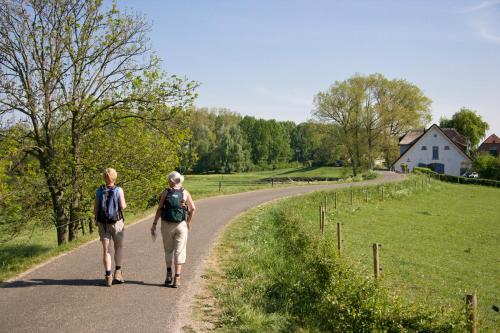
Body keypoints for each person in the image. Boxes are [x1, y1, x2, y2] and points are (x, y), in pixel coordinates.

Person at [151, 171, 196, 288]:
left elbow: (160, 209)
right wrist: (189, 222)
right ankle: (177, 278)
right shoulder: (185, 192)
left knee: (168, 250)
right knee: (179, 251)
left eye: (168, 180)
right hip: (181, 225)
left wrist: (154, 223)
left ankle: (169, 274)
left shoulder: (166, 192)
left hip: (166, 224)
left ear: (171, 181)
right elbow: (193, 209)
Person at [94, 168, 127, 287]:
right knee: (118, 247)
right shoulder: (119, 190)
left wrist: (96, 220)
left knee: (106, 250)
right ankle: (118, 272)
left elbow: (96, 208)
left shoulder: (99, 191)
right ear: (115, 177)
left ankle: (108, 276)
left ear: (104, 177)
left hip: (103, 223)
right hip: (116, 222)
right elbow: (123, 206)